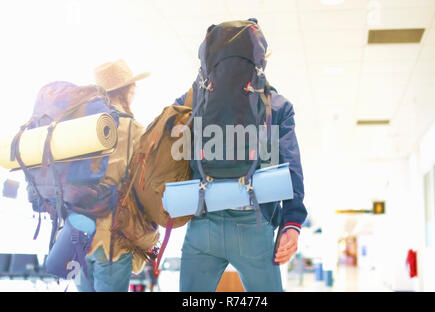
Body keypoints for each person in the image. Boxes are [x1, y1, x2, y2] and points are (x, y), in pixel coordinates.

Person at [174, 20, 308, 292]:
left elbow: (167, 158)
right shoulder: (276, 106)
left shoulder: (189, 103)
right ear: (260, 61)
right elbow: (291, 167)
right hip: (254, 223)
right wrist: (291, 223)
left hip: (202, 221)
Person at [76, 59, 149, 292]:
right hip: (114, 238)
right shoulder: (133, 128)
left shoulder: (81, 127)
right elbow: (145, 182)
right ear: (127, 90)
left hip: (76, 235)